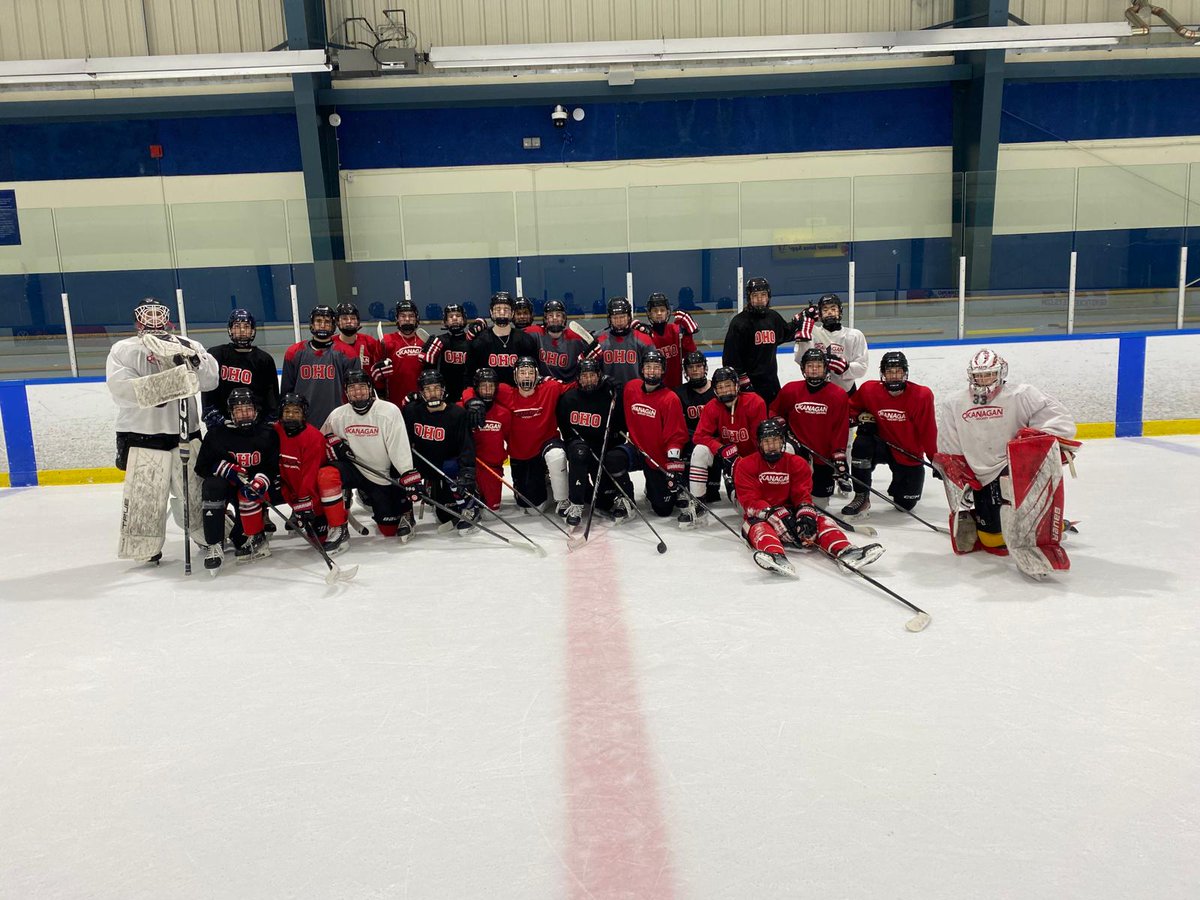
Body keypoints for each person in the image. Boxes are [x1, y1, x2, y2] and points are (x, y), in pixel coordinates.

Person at [935, 349, 1078, 564]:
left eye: (989, 374)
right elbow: (949, 441)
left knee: (1020, 510)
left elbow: (1061, 421)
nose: (983, 380)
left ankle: (1047, 526)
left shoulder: (1022, 394)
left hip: (1014, 465)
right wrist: (955, 470)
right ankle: (996, 522)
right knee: (993, 542)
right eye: (978, 375)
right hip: (980, 472)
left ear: (1000, 373)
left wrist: (1035, 438)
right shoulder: (954, 402)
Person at [106, 298, 219, 563]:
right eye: (149, 314)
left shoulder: (188, 344)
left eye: (160, 313)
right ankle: (144, 547)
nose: (155, 318)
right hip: (141, 434)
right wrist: (174, 382)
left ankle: (208, 536)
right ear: (137, 320)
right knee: (144, 496)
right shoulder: (123, 349)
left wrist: (195, 363)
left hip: (184, 431)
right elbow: (122, 389)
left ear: (168, 318)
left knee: (193, 491)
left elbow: (211, 380)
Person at [736, 418, 884, 577]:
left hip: (790, 512)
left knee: (822, 521)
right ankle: (774, 555)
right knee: (758, 528)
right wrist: (774, 515)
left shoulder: (797, 463)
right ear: (759, 443)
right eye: (767, 442)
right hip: (761, 517)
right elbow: (749, 501)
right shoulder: (746, 465)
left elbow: (802, 495)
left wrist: (805, 517)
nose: (772, 446)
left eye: (776, 441)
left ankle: (846, 552)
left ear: (783, 441)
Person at [324, 370, 423, 542]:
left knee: (388, 530)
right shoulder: (338, 415)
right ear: (346, 392)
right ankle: (338, 527)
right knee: (326, 475)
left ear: (370, 389)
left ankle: (405, 511)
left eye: (362, 387)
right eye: (352, 388)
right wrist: (331, 442)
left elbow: (398, 446)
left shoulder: (388, 411)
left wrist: (407, 473)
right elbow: (320, 438)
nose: (358, 392)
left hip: (380, 474)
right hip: (355, 469)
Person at [842, 351, 938, 519]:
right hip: (879, 445)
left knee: (905, 505)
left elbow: (928, 431)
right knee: (861, 443)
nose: (894, 376)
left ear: (905, 373)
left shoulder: (921, 396)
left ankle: (899, 486)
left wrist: (936, 459)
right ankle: (862, 496)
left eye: (898, 371)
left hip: (907, 452)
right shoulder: (869, 390)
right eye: (889, 372)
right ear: (883, 374)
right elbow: (849, 411)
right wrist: (861, 419)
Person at [194, 388, 280, 573]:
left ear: (255, 410)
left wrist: (260, 482)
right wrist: (225, 469)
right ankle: (214, 545)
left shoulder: (268, 434)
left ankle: (249, 534)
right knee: (212, 486)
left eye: (247, 409)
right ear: (231, 413)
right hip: (227, 486)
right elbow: (201, 467)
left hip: (250, 490)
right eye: (239, 410)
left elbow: (273, 467)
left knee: (242, 540)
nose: (244, 414)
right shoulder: (216, 434)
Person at [682, 366, 768, 528]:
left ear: (736, 385)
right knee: (700, 450)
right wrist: (720, 449)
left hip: (750, 462)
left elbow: (761, 442)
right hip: (726, 458)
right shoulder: (712, 406)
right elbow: (699, 436)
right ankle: (697, 502)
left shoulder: (755, 403)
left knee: (745, 510)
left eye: (728, 385)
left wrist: (745, 466)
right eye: (720, 387)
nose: (724, 390)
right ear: (714, 390)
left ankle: (737, 487)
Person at [769, 348, 851, 510]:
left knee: (819, 504)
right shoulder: (790, 390)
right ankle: (785, 497)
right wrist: (779, 422)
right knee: (785, 454)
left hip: (823, 454)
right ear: (803, 369)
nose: (814, 369)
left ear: (826, 368)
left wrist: (839, 454)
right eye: (810, 366)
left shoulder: (838, 395)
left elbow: (841, 428)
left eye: (818, 366)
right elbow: (774, 411)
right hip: (797, 448)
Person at [403, 369, 480, 533]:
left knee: (445, 515)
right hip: (423, 462)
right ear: (422, 392)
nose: (433, 394)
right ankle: (405, 512)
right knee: (399, 469)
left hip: (446, 467)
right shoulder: (411, 411)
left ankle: (469, 507)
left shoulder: (457, 414)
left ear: (443, 389)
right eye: (428, 390)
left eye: (436, 388)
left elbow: (466, 446)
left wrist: (467, 473)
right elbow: (402, 442)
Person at [273, 393, 350, 555]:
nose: (291, 415)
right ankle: (254, 534)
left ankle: (339, 524)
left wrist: (304, 502)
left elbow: (310, 474)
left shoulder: (313, 437)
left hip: (313, 495)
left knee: (319, 539)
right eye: (287, 411)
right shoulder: (275, 431)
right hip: (288, 489)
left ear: (304, 414)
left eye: (296, 411)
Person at [556, 357, 628, 526]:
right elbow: (565, 428)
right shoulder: (569, 398)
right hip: (579, 446)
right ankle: (576, 503)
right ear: (578, 378)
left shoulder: (609, 397)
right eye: (584, 376)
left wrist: (619, 394)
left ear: (599, 376)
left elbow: (620, 427)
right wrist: (576, 442)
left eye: (592, 375)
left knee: (604, 500)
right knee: (579, 453)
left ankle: (616, 495)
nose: (588, 380)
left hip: (602, 448)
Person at [620, 348, 690, 517]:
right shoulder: (631, 388)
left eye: (657, 367)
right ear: (642, 369)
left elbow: (676, 435)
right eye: (648, 367)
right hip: (637, 451)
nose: (652, 371)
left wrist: (673, 464)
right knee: (613, 460)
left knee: (663, 510)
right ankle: (625, 498)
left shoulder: (670, 398)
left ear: (663, 370)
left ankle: (656, 489)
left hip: (658, 458)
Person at [502, 356, 571, 515]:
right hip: (521, 455)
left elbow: (576, 386)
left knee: (556, 455)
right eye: (522, 373)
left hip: (546, 445)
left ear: (537, 375)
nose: (526, 376)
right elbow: (478, 389)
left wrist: (602, 381)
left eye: (530, 373)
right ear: (515, 375)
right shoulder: (505, 392)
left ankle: (562, 499)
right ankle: (546, 483)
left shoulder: (550, 388)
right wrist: (471, 401)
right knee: (533, 509)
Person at [280, 305, 360, 431]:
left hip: (337, 422)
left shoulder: (347, 354)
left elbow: (354, 392)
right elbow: (286, 392)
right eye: (318, 321)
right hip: (303, 422)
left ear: (334, 325)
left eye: (327, 322)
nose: (322, 325)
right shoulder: (294, 352)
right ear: (311, 324)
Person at [721, 277, 796, 405]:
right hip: (749, 386)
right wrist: (745, 383)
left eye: (763, 295)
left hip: (771, 384)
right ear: (749, 298)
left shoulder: (773, 317)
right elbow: (730, 359)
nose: (760, 299)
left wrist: (802, 320)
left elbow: (786, 333)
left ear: (768, 296)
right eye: (755, 295)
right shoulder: (739, 322)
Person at [201, 308, 279, 430]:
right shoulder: (216, 355)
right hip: (224, 427)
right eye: (237, 326)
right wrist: (218, 420)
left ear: (253, 330)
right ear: (230, 329)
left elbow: (271, 399)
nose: (242, 331)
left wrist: (264, 423)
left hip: (254, 426)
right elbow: (208, 394)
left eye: (246, 326)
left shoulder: (264, 359)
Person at [793, 293, 868, 396]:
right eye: (825, 310)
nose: (829, 312)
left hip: (846, 392)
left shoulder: (855, 335)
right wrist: (803, 339)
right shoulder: (812, 333)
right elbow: (800, 360)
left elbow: (862, 368)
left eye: (833, 309)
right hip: (817, 390)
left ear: (840, 311)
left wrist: (845, 367)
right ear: (819, 314)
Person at [461, 367, 512, 511]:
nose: (488, 390)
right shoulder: (462, 410)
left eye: (491, 386)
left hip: (492, 469)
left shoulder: (504, 413)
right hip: (469, 469)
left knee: (491, 511)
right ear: (476, 388)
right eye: (484, 386)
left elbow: (511, 441)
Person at [466, 292, 540, 386]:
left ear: (512, 313)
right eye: (498, 309)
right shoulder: (480, 341)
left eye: (506, 309)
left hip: (517, 394)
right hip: (489, 394)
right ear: (491, 312)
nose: (502, 312)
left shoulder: (525, 340)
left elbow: (534, 372)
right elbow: (470, 374)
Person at [674, 350, 720, 502]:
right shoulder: (679, 393)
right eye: (691, 367)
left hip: (715, 443)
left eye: (699, 366)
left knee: (712, 495)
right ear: (685, 370)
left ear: (705, 367)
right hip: (690, 444)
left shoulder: (718, 390)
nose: (695, 370)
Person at [634, 292, 699, 389]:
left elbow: (690, 354)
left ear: (667, 312)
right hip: (653, 388)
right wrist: (635, 329)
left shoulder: (676, 330)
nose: (659, 313)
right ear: (649, 313)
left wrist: (688, 335)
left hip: (676, 387)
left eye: (662, 310)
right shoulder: (646, 334)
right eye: (655, 310)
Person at [593, 296, 655, 388]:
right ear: (610, 319)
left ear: (629, 317)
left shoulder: (643, 339)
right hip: (607, 393)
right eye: (615, 318)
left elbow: (653, 368)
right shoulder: (598, 340)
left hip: (636, 392)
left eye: (622, 317)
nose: (619, 321)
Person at [373, 299, 426, 403]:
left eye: (411, 316)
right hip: (394, 399)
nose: (407, 319)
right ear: (397, 319)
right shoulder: (386, 341)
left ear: (417, 319)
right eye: (402, 316)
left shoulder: (425, 340)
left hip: (421, 399)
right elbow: (376, 372)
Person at [524, 298, 588, 382]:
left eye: (558, 315)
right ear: (545, 319)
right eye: (550, 315)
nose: (554, 318)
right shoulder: (536, 333)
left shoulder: (575, 337)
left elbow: (593, 346)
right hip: (545, 386)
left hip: (569, 387)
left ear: (564, 319)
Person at [421, 303, 471, 402]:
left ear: (464, 319)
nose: (455, 318)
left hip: (467, 393)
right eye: (450, 316)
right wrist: (425, 355)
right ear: (445, 321)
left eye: (458, 315)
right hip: (444, 394)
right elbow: (427, 368)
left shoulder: (471, 341)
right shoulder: (438, 341)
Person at [332, 301, 384, 373]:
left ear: (358, 321)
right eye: (344, 319)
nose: (349, 321)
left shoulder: (369, 342)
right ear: (337, 322)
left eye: (353, 318)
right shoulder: (331, 344)